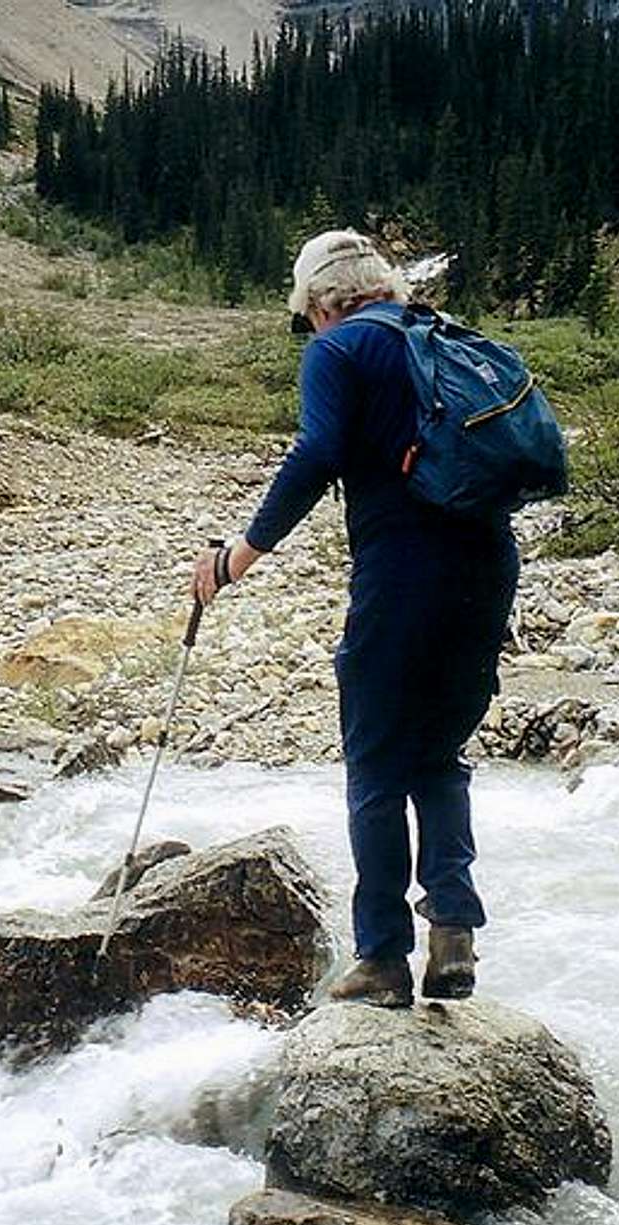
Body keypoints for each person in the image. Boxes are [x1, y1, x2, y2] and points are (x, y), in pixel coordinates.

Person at [192, 230, 519, 1008]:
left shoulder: (338, 352)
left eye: (305, 313)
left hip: (403, 576)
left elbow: (316, 453)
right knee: (438, 754)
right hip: (489, 569)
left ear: (321, 302)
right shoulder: (442, 338)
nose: (307, 327)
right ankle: (453, 932)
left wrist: (240, 554)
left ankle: (380, 959)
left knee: (374, 764)